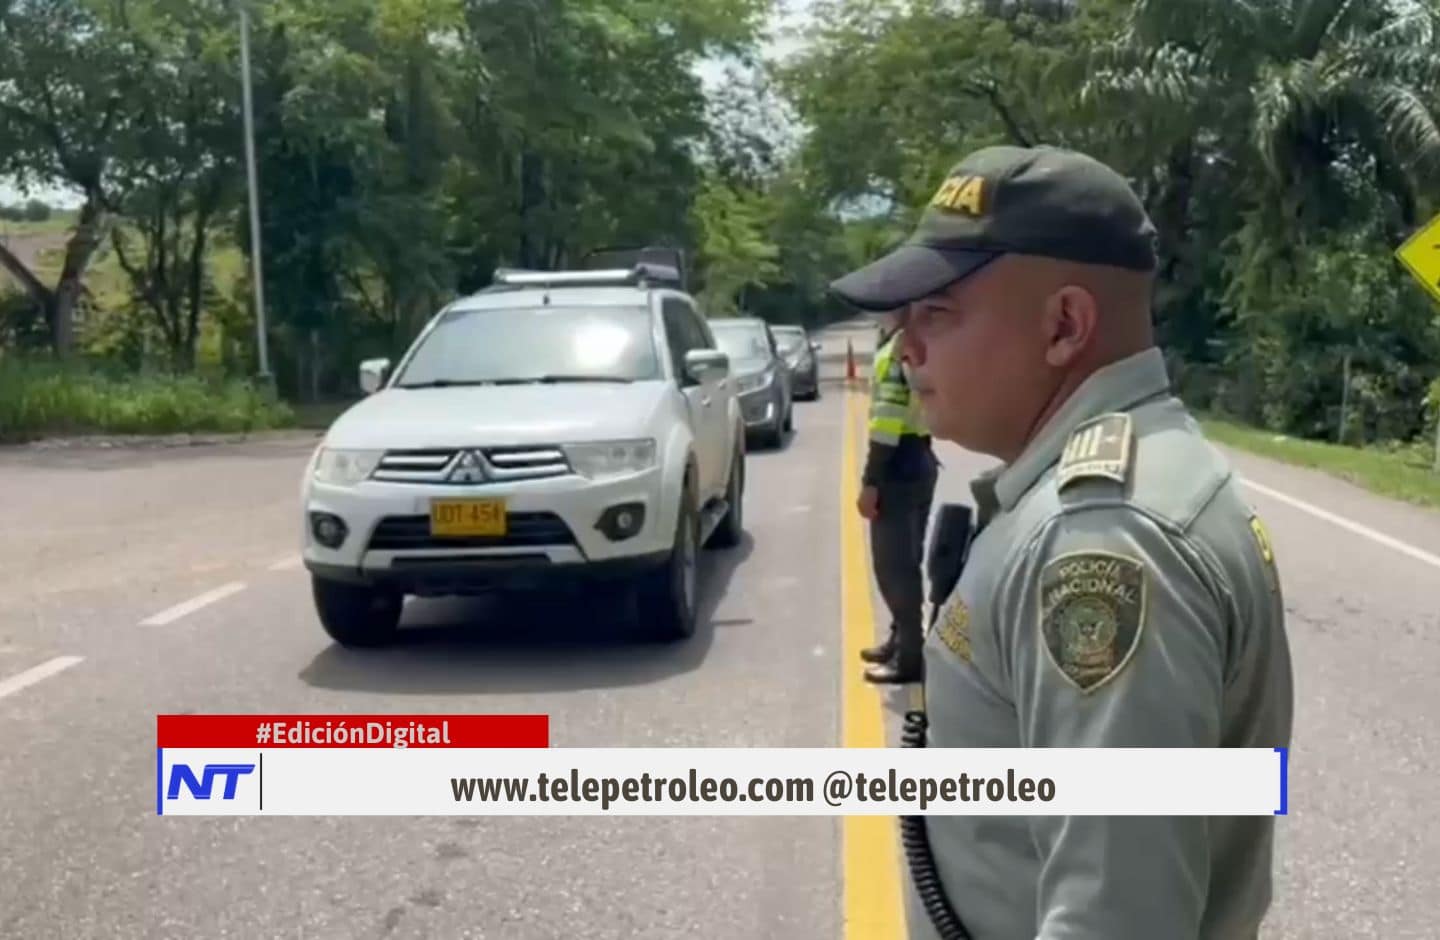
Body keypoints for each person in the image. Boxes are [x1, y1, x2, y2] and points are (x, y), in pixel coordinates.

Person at [829, 144, 1295, 939]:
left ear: (1065, 326)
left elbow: (1119, 919)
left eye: (936, 312)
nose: (905, 348)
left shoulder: (1101, 544)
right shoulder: (1142, 473)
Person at [857, 319, 938, 684]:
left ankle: (909, 659)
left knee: (893, 567)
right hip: (920, 456)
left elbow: (887, 421)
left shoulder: (894, 353)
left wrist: (871, 481)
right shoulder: (917, 342)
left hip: (897, 464)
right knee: (908, 560)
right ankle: (900, 640)